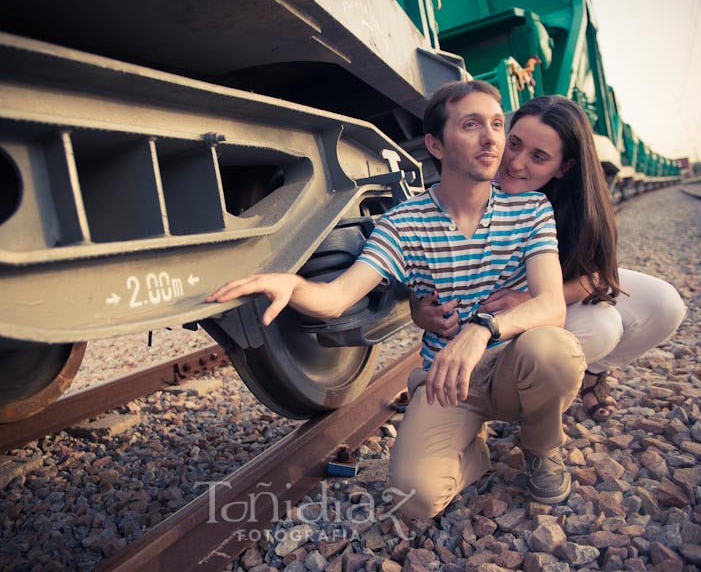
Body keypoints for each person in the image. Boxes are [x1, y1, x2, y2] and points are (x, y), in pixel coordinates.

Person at [207, 80, 586, 517]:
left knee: (552, 348)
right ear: (435, 145)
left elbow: (551, 305)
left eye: (497, 125)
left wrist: (481, 330)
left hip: (511, 364)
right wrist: (294, 286)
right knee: (416, 499)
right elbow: (337, 297)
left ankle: (542, 450)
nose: (491, 138)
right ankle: (474, 453)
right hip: (449, 383)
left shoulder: (531, 209)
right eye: (471, 125)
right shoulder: (403, 224)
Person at [410, 95, 686, 422]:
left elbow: (598, 276)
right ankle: (505, 386)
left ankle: (589, 374)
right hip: (489, 314)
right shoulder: (473, 177)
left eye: (538, 156)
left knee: (664, 303)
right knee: (601, 326)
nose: (515, 162)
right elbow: (425, 265)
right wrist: (420, 310)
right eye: (514, 144)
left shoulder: (579, 203)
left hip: (544, 296)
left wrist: (531, 298)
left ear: (564, 167)